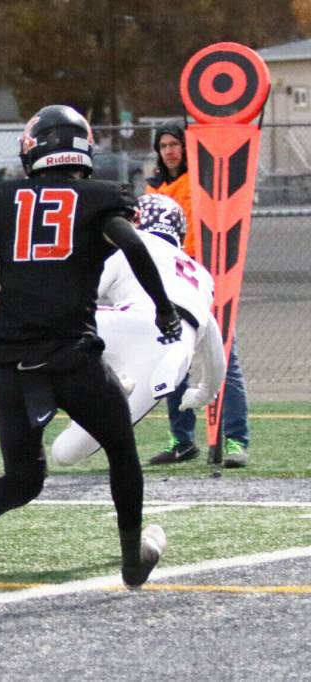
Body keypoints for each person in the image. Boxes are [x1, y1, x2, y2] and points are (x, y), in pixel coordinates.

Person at [0, 105, 180, 599]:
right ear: (82, 147)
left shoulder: (2, 198)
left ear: (32, 148)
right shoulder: (101, 197)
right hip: (73, 357)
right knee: (122, 450)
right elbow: (134, 245)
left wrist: (10, 326)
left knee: (23, 478)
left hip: (12, 364)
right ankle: (132, 560)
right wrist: (163, 308)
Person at [51, 194, 226, 466]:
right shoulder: (202, 276)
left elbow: (82, 297)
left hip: (133, 322)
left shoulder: (129, 247)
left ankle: (96, 385)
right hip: (171, 355)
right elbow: (216, 354)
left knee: (47, 327)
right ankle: (108, 385)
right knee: (64, 454)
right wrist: (203, 394)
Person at [146, 121, 251, 468]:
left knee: (224, 361)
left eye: (175, 143)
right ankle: (182, 440)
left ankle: (235, 441)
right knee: (175, 361)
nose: (170, 151)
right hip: (172, 286)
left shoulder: (201, 182)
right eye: (163, 146)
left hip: (206, 280)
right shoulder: (153, 189)